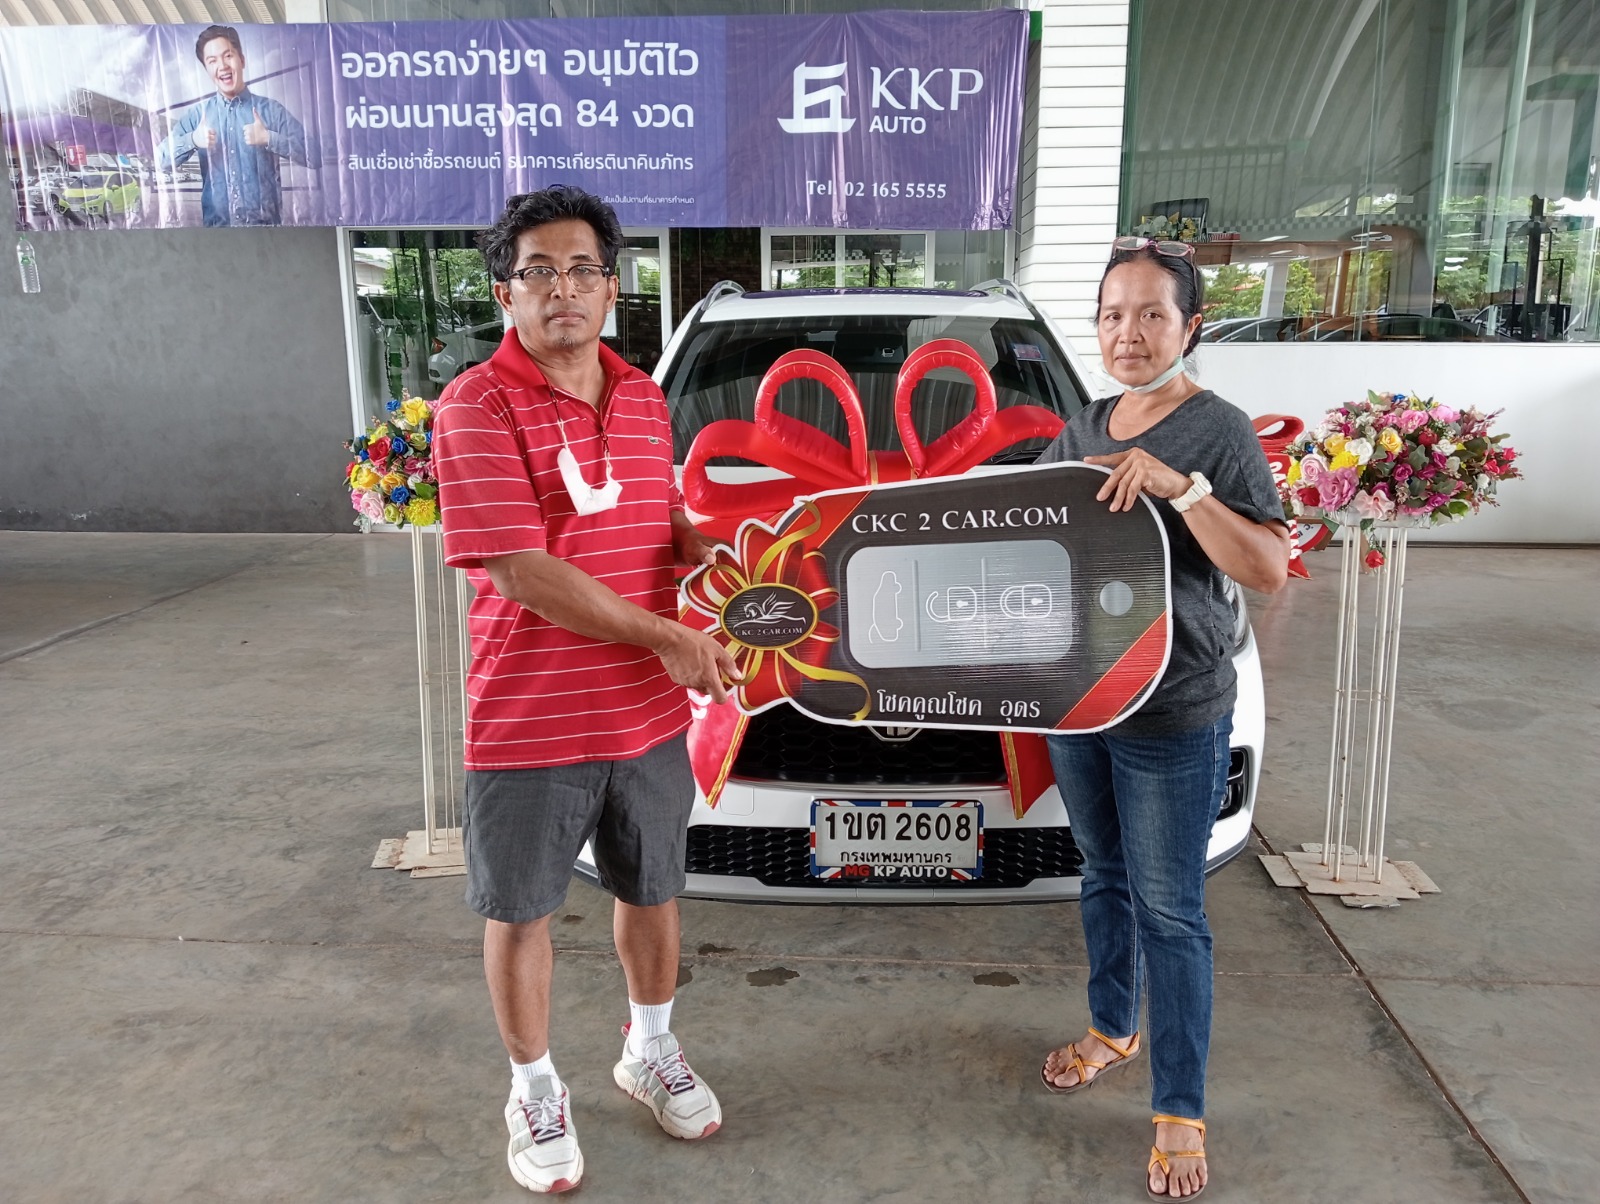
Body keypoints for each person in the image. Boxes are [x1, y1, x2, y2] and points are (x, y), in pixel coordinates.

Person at [431, 186, 739, 1196]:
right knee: (523, 911)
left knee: (652, 890)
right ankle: (533, 1088)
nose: (561, 288)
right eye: (538, 271)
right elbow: (522, 570)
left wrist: (702, 549)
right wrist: (669, 637)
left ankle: (649, 1048)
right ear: (504, 292)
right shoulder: (475, 406)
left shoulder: (644, 397)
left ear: (612, 287)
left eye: (581, 269)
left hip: (645, 714)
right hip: (531, 721)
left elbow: (658, 515)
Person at [1034, 237, 1290, 1201]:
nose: (1128, 333)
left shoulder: (1218, 430)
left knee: (1172, 910)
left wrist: (1185, 490)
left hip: (1172, 711)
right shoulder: (1083, 423)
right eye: (1112, 314)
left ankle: (1180, 1107)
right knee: (1102, 874)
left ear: (1191, 326)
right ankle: (1113, 1027)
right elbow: (1028, 536)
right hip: (1079, 702)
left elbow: (1267, 569)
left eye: (1151, 314)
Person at [154, 25, 309, 226]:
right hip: (218, 234)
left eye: (228, 56)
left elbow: (313, 155)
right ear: (206, 69)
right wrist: (192, 139)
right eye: (212, 61)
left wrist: (269, 138)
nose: (222, 66)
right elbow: (160, 160)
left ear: (241, 60)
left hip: (266, 232)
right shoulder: (198, 116)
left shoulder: (271, 110)